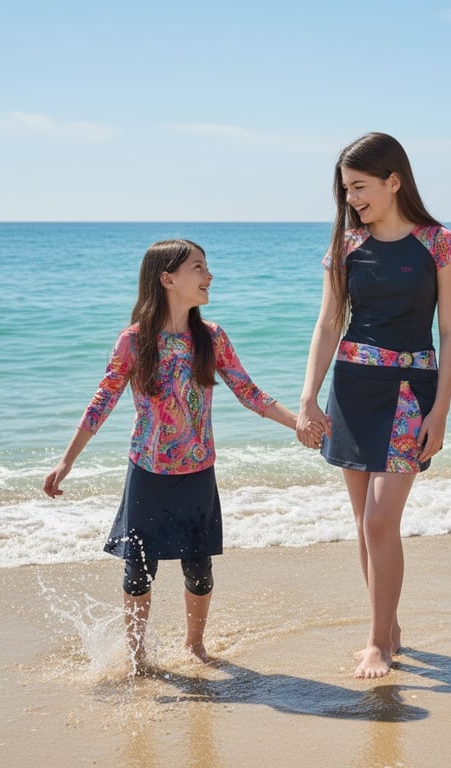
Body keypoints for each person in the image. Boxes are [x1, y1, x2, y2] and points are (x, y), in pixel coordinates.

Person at [43, 239, 306, 672]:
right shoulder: (134, 341)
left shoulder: (211, 337)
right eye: (198, 267)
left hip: (197, 471)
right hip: (147, 471)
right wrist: (67, 460)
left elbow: (248, 392)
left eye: (206, 267)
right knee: (138, 570)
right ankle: (136, 656)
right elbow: (102, 402)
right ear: (167, 279)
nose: (209, 276)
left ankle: (194, 645)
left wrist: (298, 422)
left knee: (199, 569)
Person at [297, 132, 451, 679]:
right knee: (363, 522)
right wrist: (308, 395)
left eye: (360, 187)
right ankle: (386, 629)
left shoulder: (439, 243)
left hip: (410, 392)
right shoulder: (346, 246)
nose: (352, 199)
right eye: (346, 190)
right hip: (352, 388)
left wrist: (440, 411)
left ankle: (377, 643)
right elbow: (329, 323)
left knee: (379, 520)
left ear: (394, 181)